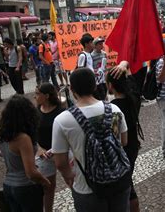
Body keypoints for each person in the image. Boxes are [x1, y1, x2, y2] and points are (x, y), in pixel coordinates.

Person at [51, 68, 130, 211]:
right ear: (94, 86)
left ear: (72, 89)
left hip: (87, 188)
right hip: (119, 182)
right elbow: (123, 142)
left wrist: (70, 176)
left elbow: (60, 162)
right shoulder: (114, 110)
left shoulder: (62, 120)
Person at [0, 95, 51, 211]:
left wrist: (1, 153)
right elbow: (30, 172)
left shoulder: (2, 132)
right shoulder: (23, 138)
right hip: (26, 187)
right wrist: (45, 181)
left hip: (8, 185)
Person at [107, 68, 144, 212]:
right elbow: (132, 80)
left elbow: (115, 136)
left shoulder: (114, 108)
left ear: (110, 85)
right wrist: (125, 65)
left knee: (127, 185)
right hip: (133, 146)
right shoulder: (134, 98)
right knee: (128, 182)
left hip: (124, 150)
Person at [35, 83, 64, 212]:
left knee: (71, 181)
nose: (35, 96)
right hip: (44, 155)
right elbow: (31, 134)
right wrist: (38, 148)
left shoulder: (60, 111)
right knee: (48, 187)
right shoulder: (36, 112)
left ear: (46, 96)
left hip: (61, 152)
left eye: (37, 94)